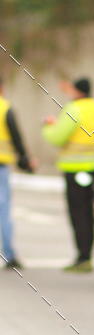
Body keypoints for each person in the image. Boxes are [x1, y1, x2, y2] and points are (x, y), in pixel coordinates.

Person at [42, 77, 94, 272]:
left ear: (77, 90)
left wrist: (47, 126)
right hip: (93, 167)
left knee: (78, 212)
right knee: (88, 211)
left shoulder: (74, 109)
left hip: (74, 169)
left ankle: (83, 257)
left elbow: (57, 137)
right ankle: (88, 254)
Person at [0, 76, 34, 270]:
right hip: (1, 167)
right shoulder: (5, 108)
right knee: (3, 212)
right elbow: (17, 138)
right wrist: (25, 161)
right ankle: (9, 254)